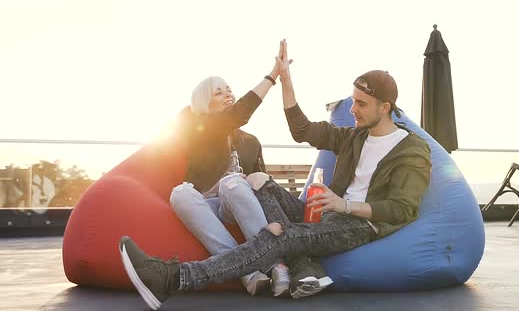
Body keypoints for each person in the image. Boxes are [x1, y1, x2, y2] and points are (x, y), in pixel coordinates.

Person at [119, 40, 432, 310]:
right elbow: (302, 129)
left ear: (385, 107)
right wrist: (284, 78)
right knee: (261, 182)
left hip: (360, 223)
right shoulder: (354, 137)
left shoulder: (411, 150)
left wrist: (345, 206)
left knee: (279, 235)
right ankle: (305, 267)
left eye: (361, 104)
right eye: (353, 102)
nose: (353, 109)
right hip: (328, 213)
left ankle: (174, 278)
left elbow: (403, 209)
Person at [168, 74, 291, 297]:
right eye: (218, 92)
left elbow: (260, 180)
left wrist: (257, 178)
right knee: (180, 193)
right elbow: (235, 116)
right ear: (204, 103)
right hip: (207, 205)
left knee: (232, 182)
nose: (228, 94)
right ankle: (248, 272)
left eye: (228, 90)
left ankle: (275, 265)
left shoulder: (250, 141)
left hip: (236, 201)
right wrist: (271, 77)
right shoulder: (196, 128)